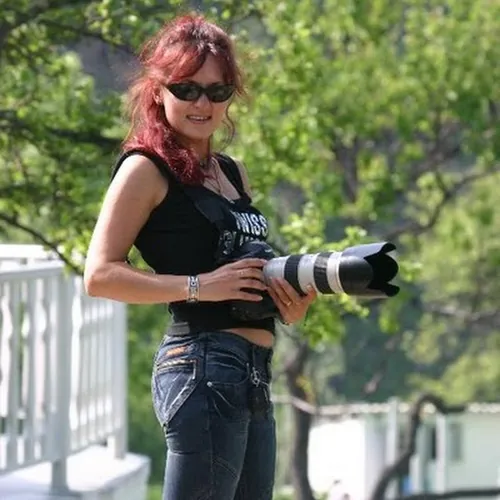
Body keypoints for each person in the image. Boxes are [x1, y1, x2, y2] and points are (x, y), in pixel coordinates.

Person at [84, 13, 317, 500]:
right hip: (200, 366)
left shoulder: (233, 173)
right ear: (158, 91)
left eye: (217, 90)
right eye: (187, 89)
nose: (202, 103)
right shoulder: (145, 169)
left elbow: (240, 268)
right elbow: (100, 274)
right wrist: (199, 286)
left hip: (254, 371)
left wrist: (284, 303)